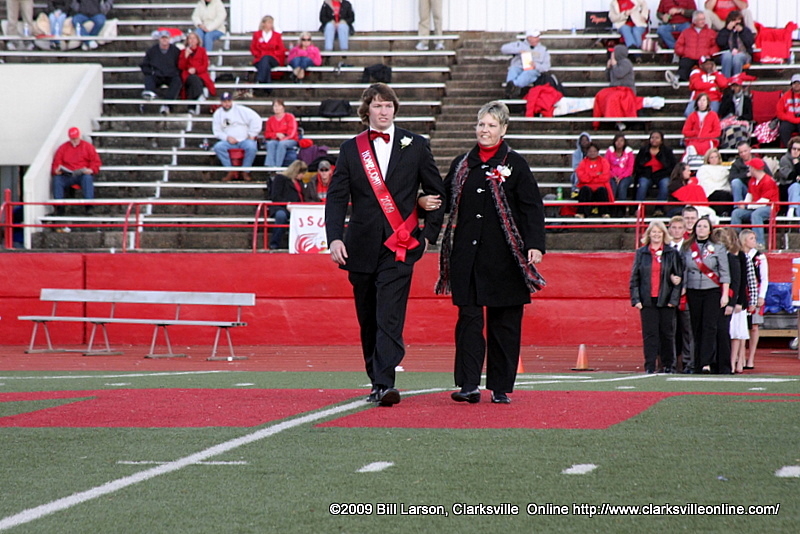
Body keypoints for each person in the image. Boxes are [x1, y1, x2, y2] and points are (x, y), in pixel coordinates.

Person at [325, 83, 445, 407]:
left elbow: (437, 192)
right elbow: (336, 197)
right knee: (368, 318)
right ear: (367, 110)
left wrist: (428, 235)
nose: (383, 111)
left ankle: (385, 383)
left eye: (388, 105)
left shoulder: (416, 145)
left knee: (389, 315)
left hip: (400, 246)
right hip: (360, 246)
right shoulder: (351, 149)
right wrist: (334, 237)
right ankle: (375, 377)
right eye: (377, 105)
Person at [435, 100, 545, 404]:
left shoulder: (516, 164)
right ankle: (468, 384)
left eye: (491, 125)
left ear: (504, 129)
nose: (485, 130)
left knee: (504, 323)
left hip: (506, 259)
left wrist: (535, 244)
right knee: (469, 321)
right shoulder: (462, 164)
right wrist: (423, 204)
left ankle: (500, 387)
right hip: (467, 258)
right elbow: (444, 199)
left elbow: (532, 207)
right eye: (481, 124)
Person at [630, 221, 683, 374]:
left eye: (659, 232)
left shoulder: (671, 253)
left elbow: (678, 278)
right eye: (653, 232)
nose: (656, 235)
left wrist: (673, 300)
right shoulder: (641, 253)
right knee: (650, 335)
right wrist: (636, 300)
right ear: (649, 234)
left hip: (666, 300)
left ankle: (668, 365)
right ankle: (650, 366)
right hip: (647, 300)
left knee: (667, 334)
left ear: (664, 234)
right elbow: (634, 278)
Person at [682, 216, 730, 374]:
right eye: (699, 226)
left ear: (710, 230)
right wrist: (683, 287)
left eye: (704, 226)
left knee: (709, 327)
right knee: (696, 327)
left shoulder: (718, 247)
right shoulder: (687, 247)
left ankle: (707, 362)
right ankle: (696, 362)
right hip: (693, 290)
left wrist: (725, 294)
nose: (701, 229)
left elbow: (724, 272)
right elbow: (683, 269)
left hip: (712, 291)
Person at [51, 127, 101, 215]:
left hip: (82, 175)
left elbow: (96, 162)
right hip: (67, 175)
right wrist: (57, 170)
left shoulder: (87, 147)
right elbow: (56, 164)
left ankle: (89, 205)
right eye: (72, 139)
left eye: (76, 138)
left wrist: (91, 169)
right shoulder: (63, 148)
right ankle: (59, 207)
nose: (74, 141)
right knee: (57, 180)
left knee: (87, 178)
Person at [212, 92, 261, 182]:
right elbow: (217, 131)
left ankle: (245, 171)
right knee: (218, 147)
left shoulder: (241, 110)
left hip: (244, 139)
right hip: (228, 142)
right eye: (224, 101)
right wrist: (227, 138)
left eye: (228, 101)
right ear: (221, 102)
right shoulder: (218, 114)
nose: (227, 104)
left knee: (251, 147)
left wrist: (252, 134)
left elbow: (256, 119)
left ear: (232, 101)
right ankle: (230, 170)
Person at [730, 158, 779, 247]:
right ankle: (735, 242)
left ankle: (759, 243)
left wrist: (746, 206)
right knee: (736, 213)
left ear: (754, 169)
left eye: (750, 167)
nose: (749, 169)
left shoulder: (768, 181)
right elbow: (750, 195)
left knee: (756, 214)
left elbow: (763, 202)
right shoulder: (752, 180)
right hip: (754, 207)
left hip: (769, 207)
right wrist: (744, 203)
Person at [667, 215, 695, 373]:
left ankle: (688, 363)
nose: (677, 231)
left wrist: (684, 286)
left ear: (685, 230)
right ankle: (669, 363)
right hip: (667, 295)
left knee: (687, 330)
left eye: (680, 228)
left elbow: (691, 269)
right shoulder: (664, 247)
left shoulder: (690, 247)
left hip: (686, 295)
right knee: (669, 330)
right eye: (674, 228)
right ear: (669, 229)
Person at [711, 226, 739, 374]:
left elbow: (736, 283)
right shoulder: (712, 258)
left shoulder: (731, 259)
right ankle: (713, 363)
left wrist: (731, 303)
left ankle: (724, 366)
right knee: (712, 332)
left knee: (722, 332)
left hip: (725, 300)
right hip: (712, 299)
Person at [721, 226, 749, 373]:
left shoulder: (739, 256)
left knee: (737, 332)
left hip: (735, 298)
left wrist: (739, 301)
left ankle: (735, 362)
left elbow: (742, 280)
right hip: (723, 298)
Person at [665, 11, 719, 88]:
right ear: (694, 21)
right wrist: (685, 52)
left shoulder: (711, 32)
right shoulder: (686, 32)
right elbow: (678, 46)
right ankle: (677, 78)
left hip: (704, 58)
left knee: (707, 65)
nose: (703, 21)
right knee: (684, 64)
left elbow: (715, 46)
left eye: (704, 19)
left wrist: (709, 54)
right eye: (700, 19)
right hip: (689, 57)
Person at [739, 228, 767, 370]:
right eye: (751, 239)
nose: (754, 241)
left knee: (754, 326)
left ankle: (751, 358)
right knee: (741, 326)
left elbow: (764, 278)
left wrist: (761, 296)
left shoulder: (759, 257)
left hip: (754, 293)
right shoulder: (738, 254)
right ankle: (740, 357)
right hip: (742, 294)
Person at [269, 160, 309, 250]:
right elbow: (276, 196)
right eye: (302, 173)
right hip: (281, 207)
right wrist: (287, 204)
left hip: (297, 208)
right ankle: (274, 243)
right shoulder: (280, 179)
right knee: (281, 216)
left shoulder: (300, 182)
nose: (303, 176)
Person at [140, 30, 182, 115]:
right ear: (159, 39)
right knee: (149, 78)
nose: (164, 40)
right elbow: (145, 64)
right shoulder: (152, 50)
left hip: (171, 75)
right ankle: (149, 95)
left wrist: (176, 72)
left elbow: (180, 64)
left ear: (169, 39)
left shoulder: (175, 50)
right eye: (162, 38)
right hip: (157, 75)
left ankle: (167, 104)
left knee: (177, 81)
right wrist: (151, 72)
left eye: (166, 38)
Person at [501, 29, 551, 99]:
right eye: (535, 37)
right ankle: (511, 90)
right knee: (513, 69)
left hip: (532, 70)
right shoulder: (519, 44)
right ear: (529, 38)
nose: (537, 39)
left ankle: (512, 87)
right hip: (519, 67)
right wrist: (518, 51)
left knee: (529, 73)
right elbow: (503, 49)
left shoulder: (543, 49)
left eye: (538, 37)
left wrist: (536, 65)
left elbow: (547, 66)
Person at [633, 130, 677, 204]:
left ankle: (659, 208)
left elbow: (672, 166)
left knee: (665, 184)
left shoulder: (667, 151)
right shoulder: (643, 150)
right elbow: (637, 165)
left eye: (657, 138)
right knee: (643, 184)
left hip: (662, 175)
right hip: (646, 175)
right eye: (652, 137)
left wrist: (663, 173)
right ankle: (639, 207)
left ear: (661, 140)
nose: (654, 139)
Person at [575, 142, 613, 218]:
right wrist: (597, 174)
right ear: (587, 152)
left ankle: (604, 213)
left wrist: (590, 176)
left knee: (602, 190)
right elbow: (582, 177)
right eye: (590, 151)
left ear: (598, 152)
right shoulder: (582, 163)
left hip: (600, 187)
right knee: (584, 189)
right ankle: (582, 213)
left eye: (594, 151)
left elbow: (605, 176)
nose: (592, 153)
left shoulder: (604, 161)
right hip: (587, 188)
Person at [178, 31, 216, 105]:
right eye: (190, 38)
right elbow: (181, 66)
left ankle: (191, 107)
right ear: (187, 41)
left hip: (200, 74)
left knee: (194, 83)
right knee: (193, 79)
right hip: (188, 75)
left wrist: (196, 70)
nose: (192, 40)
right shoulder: (183, 51)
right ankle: (200, 95)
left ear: (198, 40)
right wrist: (185, 56)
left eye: (194, 38)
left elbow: (205, 65)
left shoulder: (202, 51)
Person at [250, 15, 287, 90]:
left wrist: (272, 54)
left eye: (271, 23)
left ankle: (260, 79)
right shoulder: (257, 35)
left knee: (266, 58)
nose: (271, 25)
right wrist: (259, 54)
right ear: (263, 24)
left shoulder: (277, 35)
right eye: (269, 22)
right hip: (260, 59)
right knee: (265, 63)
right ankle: (268, 88)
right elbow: (253, 48)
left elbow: (281, 49)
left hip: (273, 58)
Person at [715, 10, 754, 78]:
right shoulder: (724, 31)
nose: (736, 22)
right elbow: (721, 43)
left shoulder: (746, 30)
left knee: (737, 57)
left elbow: (749, 43)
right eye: (734, 20)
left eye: (738, 20)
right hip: (728, 53)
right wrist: (727, 31)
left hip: (743, 54)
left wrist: (742, 32)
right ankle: (726, 80)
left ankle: (736, 79)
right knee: (727, 56)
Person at [264, 99, 299, 168]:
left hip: (290, 139)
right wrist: (276, 135)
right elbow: (267, 134)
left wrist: (284, 138)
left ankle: (278, 166)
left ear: (283, 107)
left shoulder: (289, 117)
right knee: (270, 144)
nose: (276, 108)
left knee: (282, 144)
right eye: (275, 106)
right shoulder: (270, 119)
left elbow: (292, 132)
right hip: (276, 139)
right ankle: (270, 167)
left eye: (279, 106)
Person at [696, 148, 732, 214]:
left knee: (727, 195)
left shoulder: (724, 170)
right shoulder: (703, 169)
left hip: (723, 192)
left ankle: (725, 214)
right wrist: (715, 189)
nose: (714, 159)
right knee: (721, 195)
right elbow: (704, 182)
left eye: (716, 157)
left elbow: (726, 183)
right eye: (711, 157)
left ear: (719, 158)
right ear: (708, 159)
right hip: (710, 192)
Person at [605, 133, 635, 205]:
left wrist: (620, 177)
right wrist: (614, 176)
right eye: (617, 141)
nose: (619, 143)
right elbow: (606, 166)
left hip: (626, 176)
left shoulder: (629, 152)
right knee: (612, 186)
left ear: (624, 142)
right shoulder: (609, 151)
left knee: (622, 186)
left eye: (621, 141)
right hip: (611, 176)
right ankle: (611, 207)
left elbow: (630, 169)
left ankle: (621, 207)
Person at [777, 74, 800, 148]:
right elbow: (779, 112)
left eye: (798, 83)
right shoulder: (785, 96)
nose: (796, 85)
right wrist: (791, 118)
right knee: (784, 129)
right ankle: (789, 148)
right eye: (794, 83)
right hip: (789, 120)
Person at [782, 137, 800, 211]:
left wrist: (797, 164)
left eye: (798, 150)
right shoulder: (784, 159)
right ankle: (791, 210)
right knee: (795, 186)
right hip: (787, 186)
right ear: (790, 149)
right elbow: (789, 175)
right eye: (794, 149)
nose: (796, 151)